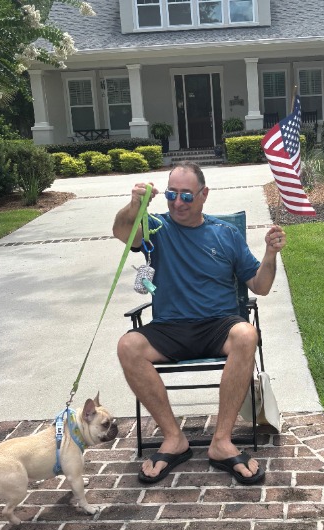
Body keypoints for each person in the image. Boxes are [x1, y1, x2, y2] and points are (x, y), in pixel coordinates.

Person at [113, 161, 285, 485]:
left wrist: (270, 254)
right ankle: (173, 438)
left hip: (217, 325)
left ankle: (221, 442)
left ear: (204, 195)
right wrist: (135, 205)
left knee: (246, 334)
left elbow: (260, 286)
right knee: (128, 346)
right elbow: (122, 232)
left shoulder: (226, 234)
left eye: (187, 196)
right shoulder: (156, 227)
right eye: (171, 194)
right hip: (170, 327)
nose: (177, 203)